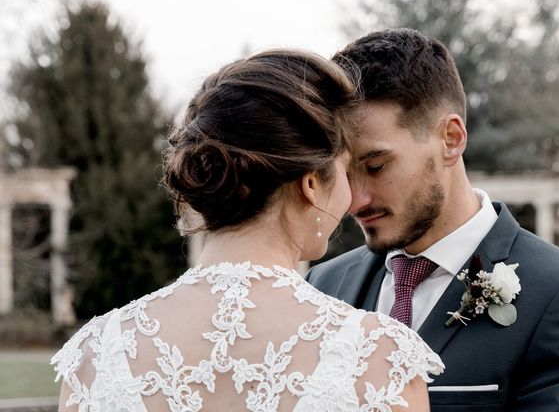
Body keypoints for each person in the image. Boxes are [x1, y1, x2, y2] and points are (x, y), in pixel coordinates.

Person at [51, 48, 443, 411]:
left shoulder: (95, 353)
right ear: (310, 183)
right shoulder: (380, 358)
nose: (354, 197)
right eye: (345, 170)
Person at [306, 29, 559, 412]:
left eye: (375, 166)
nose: (354, 199)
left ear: (452, 138)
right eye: (342, 174)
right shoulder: (320, 285)